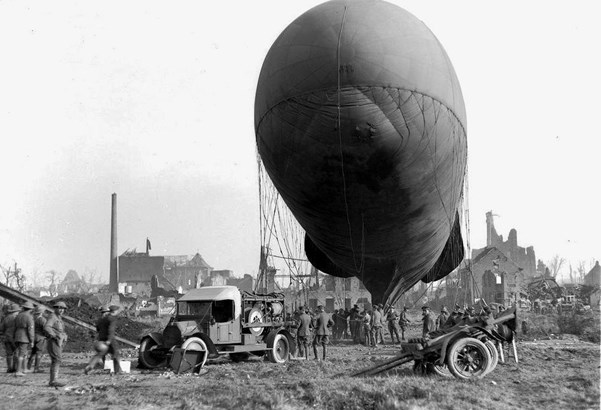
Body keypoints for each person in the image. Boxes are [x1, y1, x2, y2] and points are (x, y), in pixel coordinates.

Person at [44, 301, 68, 387]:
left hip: (58, 341)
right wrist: (54, 335)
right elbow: (47, 327)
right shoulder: (53, 317)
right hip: (53, 341)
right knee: (57, 359)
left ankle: (54, 380)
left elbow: (60, 329)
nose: (61, 310)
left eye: (63, 309)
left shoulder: (58, 318)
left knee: (57, 359)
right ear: (55, 308)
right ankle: (53, 381)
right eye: (59, 308)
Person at [84, 306, 111, 374]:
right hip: (105, 339)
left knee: (100, 353)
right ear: (106, 312)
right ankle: (109, 366)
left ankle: (91, 365)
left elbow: (97, 329)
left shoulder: (99, 320)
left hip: (100, 339)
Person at [13, 301, 35, 377]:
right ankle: (18, 371)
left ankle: (24, 369)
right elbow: (30, 330)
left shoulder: (19, 315)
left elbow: (14, 326)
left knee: (23, 353)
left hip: (17, 335)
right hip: (24, 337)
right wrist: (32, 340)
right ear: (30, 309)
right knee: (22, 354)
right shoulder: (29, 317)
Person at [0, 303, 20, 373]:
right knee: (16, 353)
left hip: (7, 337)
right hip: (15, 338)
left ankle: (9, 368)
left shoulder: (6, 318)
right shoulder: (18, 318)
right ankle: (15, 368)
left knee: (9, 354)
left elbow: (1, 329)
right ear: (16, 311)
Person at [28, 304, 48, 373]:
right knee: (39, 353)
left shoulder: (32, 318)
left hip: (33, 337)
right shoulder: (43, 320)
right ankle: (36, 368)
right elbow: (46, 329)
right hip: (40, 337)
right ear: (42, 312)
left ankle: (28, 366)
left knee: (33, 352)